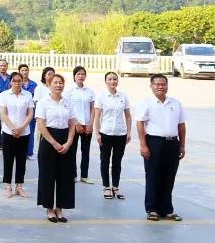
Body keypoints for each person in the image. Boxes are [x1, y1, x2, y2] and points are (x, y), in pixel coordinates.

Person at [136, 74, 186, 221]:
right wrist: (143, 144)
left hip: (172, 143)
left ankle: (167, 209)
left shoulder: (175, 103)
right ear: (151, 86)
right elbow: (140, 123)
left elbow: (181, 125)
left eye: (163, 84)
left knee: (169, 176)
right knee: (153, 176)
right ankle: (152, 209)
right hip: (154, 142)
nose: (160, 86)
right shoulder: (146, 102)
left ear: (167, 85)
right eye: (157, 84)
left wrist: (182, 144)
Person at [35, 73, 77, 223]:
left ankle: (60, 208)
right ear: (50, 84)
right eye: (55, 82)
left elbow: (72, 123)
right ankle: (49, 208)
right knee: (47, 175)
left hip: (65, 140)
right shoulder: (43, 102)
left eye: (61, 83)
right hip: (48, 140)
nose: (59, 85)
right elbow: (41, 124)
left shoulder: (67, 102)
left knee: (65, 176)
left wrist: (69, 141)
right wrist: (53, 143)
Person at [93, 71, 131, 200]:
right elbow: (97, 116)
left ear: (117, 81)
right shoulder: (101, 96)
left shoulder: (123, 96)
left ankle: (116, 186)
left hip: (120, 133)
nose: (112, 82)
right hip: (106, 133)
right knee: (105, 160)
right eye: (109, 79)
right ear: (106, 82)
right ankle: (106, 187)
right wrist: (97, 133)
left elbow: (128, 116)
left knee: (117, 162)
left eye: (115, 79)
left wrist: (129, 132)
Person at [0, 72, 33, 198]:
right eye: (14, 80)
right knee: (8, 159)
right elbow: (3, 113)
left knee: (21, 161)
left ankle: (19, 186)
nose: (17, 83)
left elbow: (30, 114)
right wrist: (13, 128)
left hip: (24, 132)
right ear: (10, 82)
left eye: (19, 80)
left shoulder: (27, 95)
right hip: (8, 132)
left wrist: (21, 127)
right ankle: (8, 186)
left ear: (22, 81)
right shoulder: (4, 95)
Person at [65, 66, 96, 184]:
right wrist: (76, 123)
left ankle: (84, 175)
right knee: (72, 151)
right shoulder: (69, 91)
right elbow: (68, 109)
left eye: (83, 74)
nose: (81, 76)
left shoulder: (90, 91)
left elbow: (93, 109)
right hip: (74, 125)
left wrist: (90, 124)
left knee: (85, 151)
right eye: (78, 74)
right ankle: (73, 175)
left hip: (87, 125)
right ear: (74, 76)